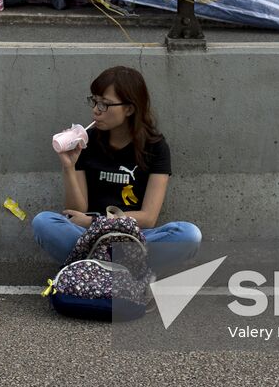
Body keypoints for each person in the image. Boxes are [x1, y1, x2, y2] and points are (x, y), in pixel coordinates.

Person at [32, 66, 201, 276]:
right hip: (89, 234)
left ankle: (95, 266)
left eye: (105, 104)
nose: (96, 110)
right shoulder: (88, 140)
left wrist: (96, 221)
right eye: (94, 101)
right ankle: (123, 268)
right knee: (43, 222)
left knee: (188, 235)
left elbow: (148, 218)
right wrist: (69, 165)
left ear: (129, 109)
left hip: (132, 235)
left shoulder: (155, 147)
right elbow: (77, 209)